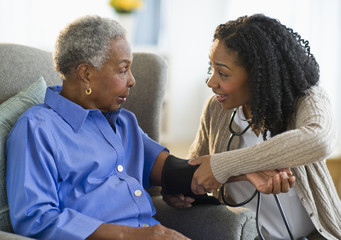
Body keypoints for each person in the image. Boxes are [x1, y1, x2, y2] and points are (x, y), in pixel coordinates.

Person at [6, 15, 294, 240]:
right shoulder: (38, 128)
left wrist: (246, 172)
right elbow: (35, 218)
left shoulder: (124, 123)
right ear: (86, 74)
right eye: (123, 69)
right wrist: (137, 236)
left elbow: (177, 172)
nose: (132, 80)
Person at [185, 14, 341, 239]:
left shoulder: (307, 98)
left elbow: (318, 140)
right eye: (211, 69)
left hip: (318, 235)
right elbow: (197, 172)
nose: (211, 82)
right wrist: (244, 172)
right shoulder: (216, 109)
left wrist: (225, 165)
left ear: (259, 75)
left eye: (223, 73)